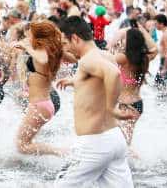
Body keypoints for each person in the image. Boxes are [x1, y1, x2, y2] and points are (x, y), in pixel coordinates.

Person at [55, 16, 135, 187]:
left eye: (65, 43)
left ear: (75, 38)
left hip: (93, 144)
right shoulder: (106, 55)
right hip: (114, 139)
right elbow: (102, 79)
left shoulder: (88, 60)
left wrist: (111, 107)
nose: (65, 48)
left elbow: (113, 74)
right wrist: (76, 81)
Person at [13, 21, 64, 156]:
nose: (29, 37)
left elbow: (42, 60)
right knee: (26, 142)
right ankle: (45, 161)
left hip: (40, 105)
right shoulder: (51, 50)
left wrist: (28, 47)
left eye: (31, 34)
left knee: (22, 145)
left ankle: (62, 152)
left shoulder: (43, 51)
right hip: (43, 103)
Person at [115, 26, 157, 147]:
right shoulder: (144, 58)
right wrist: (142, 30)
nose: (122, 41)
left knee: (123, 141)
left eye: (124, 39)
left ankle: (132, 163)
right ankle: (134, 162)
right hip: (136, 104)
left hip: (126, 105)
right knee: (125, 140)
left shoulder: (124, 58)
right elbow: (155, 48)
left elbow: (105, 57)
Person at [154, 14, 167, 91]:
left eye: (156, 24)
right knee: (159, 83)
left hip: (166, 61)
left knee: (162, 84)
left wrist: (165, 67)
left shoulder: (166, 34)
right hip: (166, 60)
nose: (155, 26)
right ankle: (163, 101)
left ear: (161, 24)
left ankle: (165, 101)